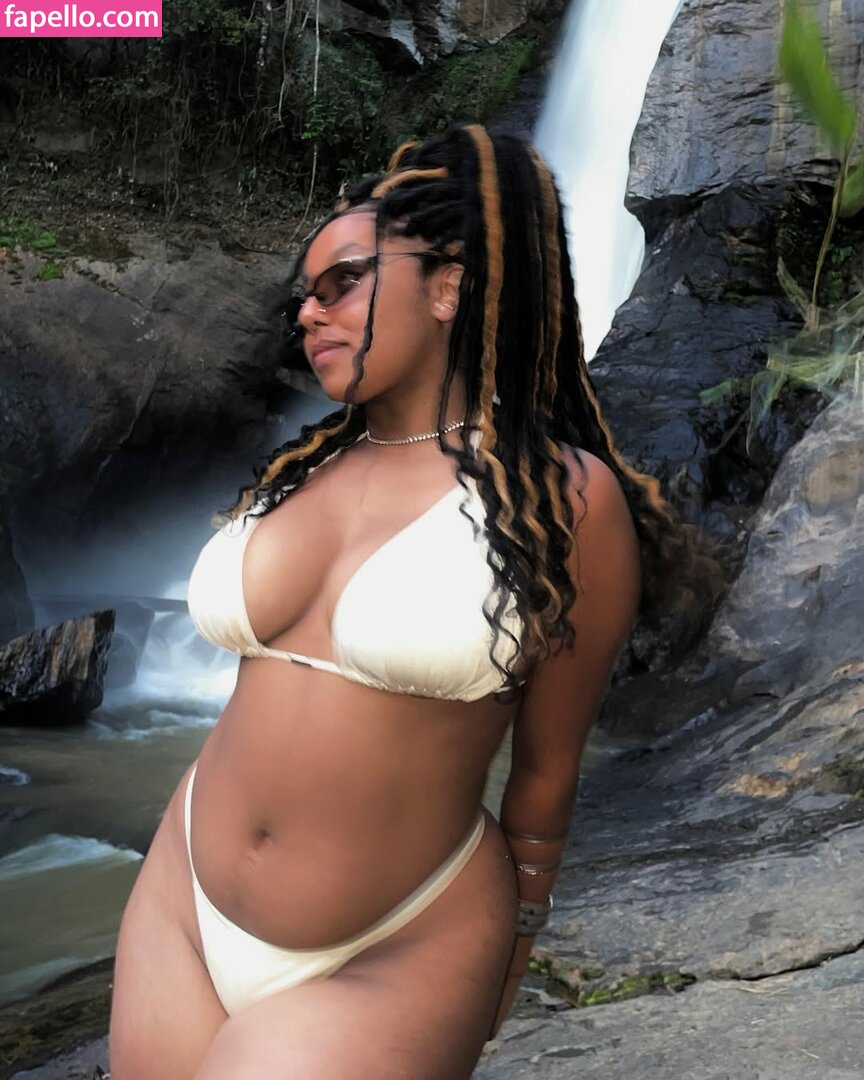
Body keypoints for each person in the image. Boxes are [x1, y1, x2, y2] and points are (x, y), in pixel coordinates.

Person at [108, 122, 691, 1078]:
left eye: (343, 281)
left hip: (396, 941)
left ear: (448, 286)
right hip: (183, 902)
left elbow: (546, 772)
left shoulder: (564, 502)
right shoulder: (300, 473)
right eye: (304, 295)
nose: (310, 312)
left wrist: (520, 939)